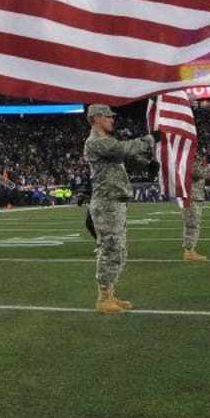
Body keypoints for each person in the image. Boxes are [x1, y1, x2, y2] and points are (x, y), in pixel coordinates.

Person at [82, 104, 153, 315]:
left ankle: (110, 292)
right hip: (106, 203)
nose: (113, 120)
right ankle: (103, 297)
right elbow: (121, 149)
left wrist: (146, 165)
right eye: (108, 117)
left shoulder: (106, 143)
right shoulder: (96, 141)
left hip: (115, 201)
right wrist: (149, 140)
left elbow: (124, 159)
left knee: (119, 249)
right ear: (96, 119)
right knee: (110, 248)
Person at [183, 154, 210, 262]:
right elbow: (200, 173)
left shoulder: (193, 161)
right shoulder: (189, 161)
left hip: (194, 196)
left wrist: (205, 164)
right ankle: (189, 252)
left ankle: (190, 250)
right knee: (192, 224)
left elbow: (206, 176)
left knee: (193, 224)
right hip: (191, 196)